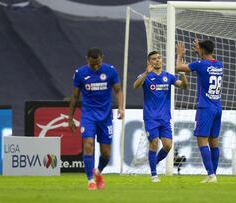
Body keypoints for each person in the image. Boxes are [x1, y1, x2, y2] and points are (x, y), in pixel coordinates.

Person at [68, 47, 124, 190]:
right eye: (93, 64)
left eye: (98, 63)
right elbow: (75, 96)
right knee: (88, 145)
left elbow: (118, 91)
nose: (96, 66)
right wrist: (70, 118)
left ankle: (98, 172)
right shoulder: (80, 73)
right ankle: (90, 180)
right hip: (88, 115)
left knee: (106, 152)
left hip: (105, 117)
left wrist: (121, 108)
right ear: (88, 59)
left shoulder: (110, 70)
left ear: (102, 58)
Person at [133, 51, 187, 182]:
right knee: (154, 143)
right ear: (149, 62)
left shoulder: (168, 76)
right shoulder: (146, 76)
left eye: (158, 58)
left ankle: (153, 163)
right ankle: (154, 175)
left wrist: (183, 73)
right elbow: (135, 86)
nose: (157, 60)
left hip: (165, 118)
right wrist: (146, 73)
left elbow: (184, 86)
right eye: (153, 59)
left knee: (168, 146)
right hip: (150, 117)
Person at [176, 39, 223, 183]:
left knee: (202, 140)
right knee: (214, 142)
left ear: (202, 50)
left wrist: (179, 55)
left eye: (199, 49)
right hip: (217, 107)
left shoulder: (200, 65)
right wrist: (200, 51)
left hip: (205, 107)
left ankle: (211, 175)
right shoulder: (219, 65)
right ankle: (213, 174)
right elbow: (205, 63)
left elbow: (179, 67)